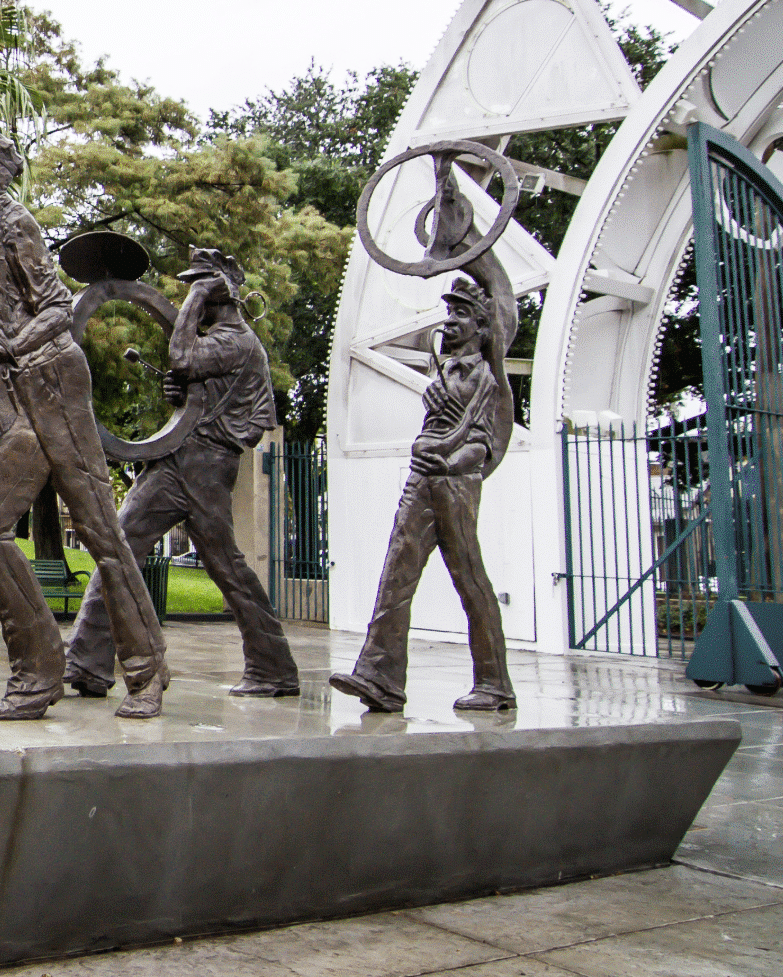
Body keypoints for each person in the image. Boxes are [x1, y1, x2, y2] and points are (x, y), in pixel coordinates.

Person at [0, 107, 167, 720]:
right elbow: (7, 295)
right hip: (20, 385)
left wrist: (14, 342)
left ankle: (146, 671)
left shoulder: (13, 220)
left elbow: (55, 308)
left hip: (53, 381)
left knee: (98, 528)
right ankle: (39, 672)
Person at [65, 248, 301, 699]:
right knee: (120, 545)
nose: (193, 292)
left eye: (201, 285)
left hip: (205, 463)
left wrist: (197, 299)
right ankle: (88, 660)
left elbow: (183, 356)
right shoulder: (220, 341)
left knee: (223, 564)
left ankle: (273, 666)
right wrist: (182, 392)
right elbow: (192, 383)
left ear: (220, 291)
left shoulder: (236, 339)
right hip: (180, 457)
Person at [330, 276, 518, 713]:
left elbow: (486, 443)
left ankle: (495, 682)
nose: (450, 322)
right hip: (422, 477)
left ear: (482, 327)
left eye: (461, 315)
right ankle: (380, 676)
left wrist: (451, 460)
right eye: (448, 313)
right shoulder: (442, 371)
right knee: (397, 572)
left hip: (453, 483)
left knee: (469, 580)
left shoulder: (489, 379)